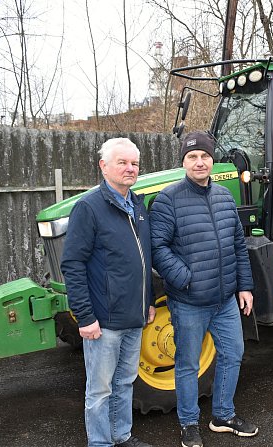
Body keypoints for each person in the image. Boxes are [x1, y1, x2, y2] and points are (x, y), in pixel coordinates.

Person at [149, 131, 258, 447]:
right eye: (192, 157)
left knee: (233, 353)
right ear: (184, 162)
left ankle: (222, 415)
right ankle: (188, 424)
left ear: (213, 160)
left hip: (224, 299)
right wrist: (184, 277)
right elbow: (157, 247)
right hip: (189, 301)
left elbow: (238, 244)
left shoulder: (225, 196)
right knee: (187, 364)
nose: (199, 162)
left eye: (205, 156)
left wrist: (244, 286)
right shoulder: (168, 199)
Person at [61, 137, 155, 447]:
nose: (130, 169)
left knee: (125, 382)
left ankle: (122, 436)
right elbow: (73, 264)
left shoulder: (138, 206)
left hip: (134, 316)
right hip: (103, 321)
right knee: (100, 389)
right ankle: (100, 442)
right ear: (104, 166)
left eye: (134, 164)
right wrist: (85, 317)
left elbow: (144, 260)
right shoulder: (89, 208)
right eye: (123, 163)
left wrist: (149, 302)